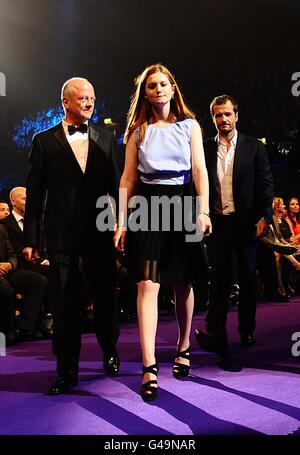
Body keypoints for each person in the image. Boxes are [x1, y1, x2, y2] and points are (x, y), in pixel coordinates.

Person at [114, 64, 211, 401]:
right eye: (151, 86)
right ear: (146, 92)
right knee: (147, 283)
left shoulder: (190, 126)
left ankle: (184, 345)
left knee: (182, 282)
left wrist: (203, 209)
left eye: (163, 84)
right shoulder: (137, 131)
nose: (157, 90)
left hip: (183, 201)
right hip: (148, 205)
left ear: (173, 88)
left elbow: (199, 169)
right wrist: (122, 220)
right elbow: (128, 178)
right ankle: (149, 366)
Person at [23, 77, 122, 395]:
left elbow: (117, 187)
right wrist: (31, 238)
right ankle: (66, 370)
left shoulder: (107, 138)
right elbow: (35, 194)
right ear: (65, 102)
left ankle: (110, 350)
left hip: (100, 230)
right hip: (60, 233)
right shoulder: (43, 141)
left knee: (105, 296)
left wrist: (122, 224)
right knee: (64, 302)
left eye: (93, 97)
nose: (90, 103)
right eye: (83, 98)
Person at [194, 94, 274, 355]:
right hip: (217, 224)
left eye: (227, 114)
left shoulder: (254, 147)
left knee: (247, 279)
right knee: (217, 280)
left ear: (236, 115)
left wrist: (265, 216)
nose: (223, 119)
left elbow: (265, 185)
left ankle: (246, 330)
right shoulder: (204, 148)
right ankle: (215, 331)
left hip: (246, 224)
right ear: (213, 118)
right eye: (218, 115)